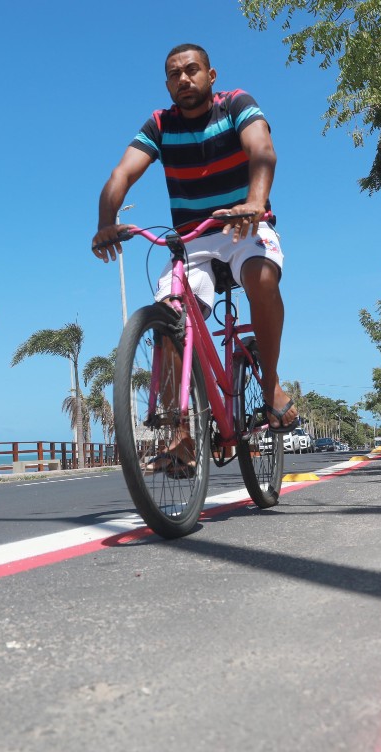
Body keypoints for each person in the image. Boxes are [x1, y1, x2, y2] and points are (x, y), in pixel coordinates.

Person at [91, 43, 299, 452]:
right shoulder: (160, 124)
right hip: (191, 240)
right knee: (169, 320)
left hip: (243, 224)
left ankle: (270, 382)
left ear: (211, 74)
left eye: (191, 70)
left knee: (261, 277)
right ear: (167, 83)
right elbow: (122, 172)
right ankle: (181, 434)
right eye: (174, 74)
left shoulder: (236, 103)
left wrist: (255, 203)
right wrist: (105, 222)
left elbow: (262, 151)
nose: (183, 79)